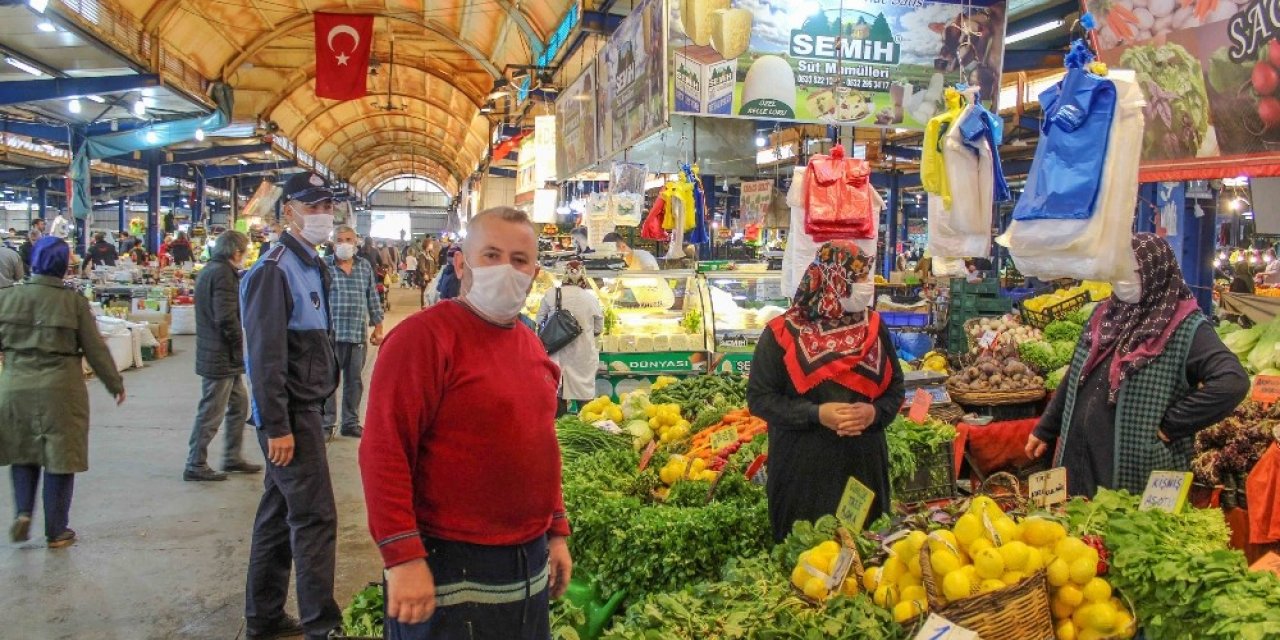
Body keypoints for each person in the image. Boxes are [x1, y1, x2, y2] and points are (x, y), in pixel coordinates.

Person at [360, 207, 573, 639]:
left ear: (534, 272)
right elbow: (384, 452)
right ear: (461, 264)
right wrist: (402, 557)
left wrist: (555, 531)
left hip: (526, 560)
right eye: (491, 255)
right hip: (446, 560)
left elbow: (541, 445)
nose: (506, 270)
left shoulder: (531, 344)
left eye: (519, 260)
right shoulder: (421, 339)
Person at [1026, 234, 1250, 497]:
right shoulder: (1105, 315)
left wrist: (1171, 425)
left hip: (1135, 467)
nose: (1121, 280)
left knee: (1121, 529)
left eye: (1129, 271)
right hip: (1080, 458)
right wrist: (1046, 428)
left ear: (1156, 272)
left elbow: (1232, 382)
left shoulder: (1186, 328)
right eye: (1116, 270)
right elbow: (1075, 376)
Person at [747, 242, 904, 542]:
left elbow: (894, 388)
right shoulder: (782, 333)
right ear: (834, 278)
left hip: (863, 466)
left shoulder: (873, 326)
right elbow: (760, 398)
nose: (865, 286)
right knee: (807, 560)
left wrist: (874, 413)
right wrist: (816, 414)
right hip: (804, 470)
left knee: (867, 557)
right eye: (858, 278)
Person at [240, 172, 341, 640]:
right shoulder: (273, 269)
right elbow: (265, 358)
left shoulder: (309, 264)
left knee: (279, 513)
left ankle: (262, 616)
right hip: (290, 418)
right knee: (315, 517)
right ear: (289, 212)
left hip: (304, 410)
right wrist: (276, 424)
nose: (323, 214)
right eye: (312, 206)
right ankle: (323, 626)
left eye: (327, 206)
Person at [0, 237, 126, 548]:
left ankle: (23, 513)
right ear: (63, 265)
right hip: (61, 389)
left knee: (23, 453)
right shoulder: (74, 302)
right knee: (61, 458)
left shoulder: (8, 299)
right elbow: (95, 349)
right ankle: (56, 531)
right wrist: (115, 384)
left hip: (15, 385)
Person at [184, 231, 262, 482]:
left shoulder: (210, 270)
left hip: (220, 354)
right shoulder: (222, 275)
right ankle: (195, 463)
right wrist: (240, 347)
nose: (246, 255)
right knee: (212, 410)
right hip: (219, 355)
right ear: (236, 252)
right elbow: (225, 317)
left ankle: (231, 456)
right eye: (245, 251)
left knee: (239, 405)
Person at [322, 226, 385, 439]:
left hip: (357, 333)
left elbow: (372, 297)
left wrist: (378, 326)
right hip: (331, 335)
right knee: (328, 382)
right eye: (339, 240)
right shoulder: (324, 266)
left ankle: (350, 422)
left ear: (356, 242)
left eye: (348, 239)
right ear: (333, 243)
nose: (344, 244)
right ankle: (326, 423)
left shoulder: (364, 266)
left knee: (354, 381)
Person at [536, 261, 604, 417]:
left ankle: (559, 429)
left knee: (558, 391)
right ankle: (587, 426)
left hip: (557, 351)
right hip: (583, 354)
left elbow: (539, 320)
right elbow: (599, 326)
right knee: (584, 393)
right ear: (583, 277)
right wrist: (587, 333)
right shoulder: (590, 298)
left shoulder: (552, 293)